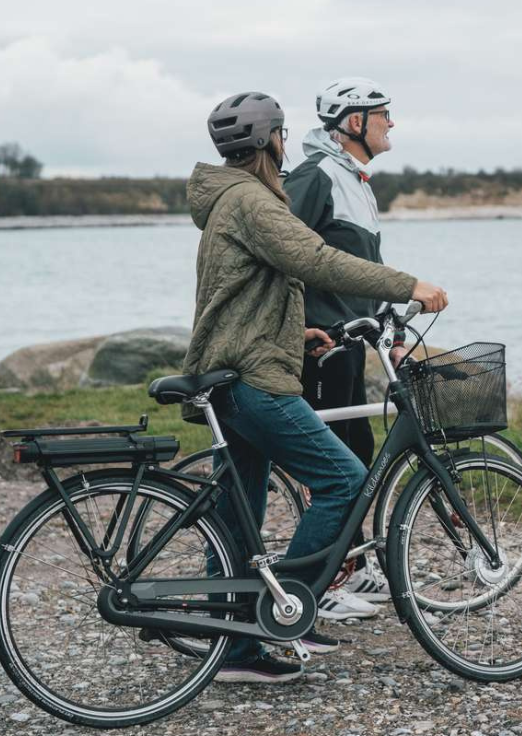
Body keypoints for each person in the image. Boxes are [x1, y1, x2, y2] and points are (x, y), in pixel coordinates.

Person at [184, 91, 448, 683]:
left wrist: (294, 331)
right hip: (253, 377)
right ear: (269, 141)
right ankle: (279, 608)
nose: (287, 142)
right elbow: (317, 259)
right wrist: (408, 285)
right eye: (282, 133)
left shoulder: (231, 200)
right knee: (345, 480)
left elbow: (244, 290)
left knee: (237, 514)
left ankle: (234, 648)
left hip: (234, 367)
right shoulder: (251, 201)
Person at [282, 77, 400, 617]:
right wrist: (299, 327)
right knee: (334, 464)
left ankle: (350, 563)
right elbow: (282, 254)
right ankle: (320, 583)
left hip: (351, 342)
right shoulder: (315, 176)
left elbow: (366, 267)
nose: (391, 123)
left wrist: (393, 331)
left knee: (359, 450)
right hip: (321, 345)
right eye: (383, 114)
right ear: (355, 122)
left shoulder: (354, 179)